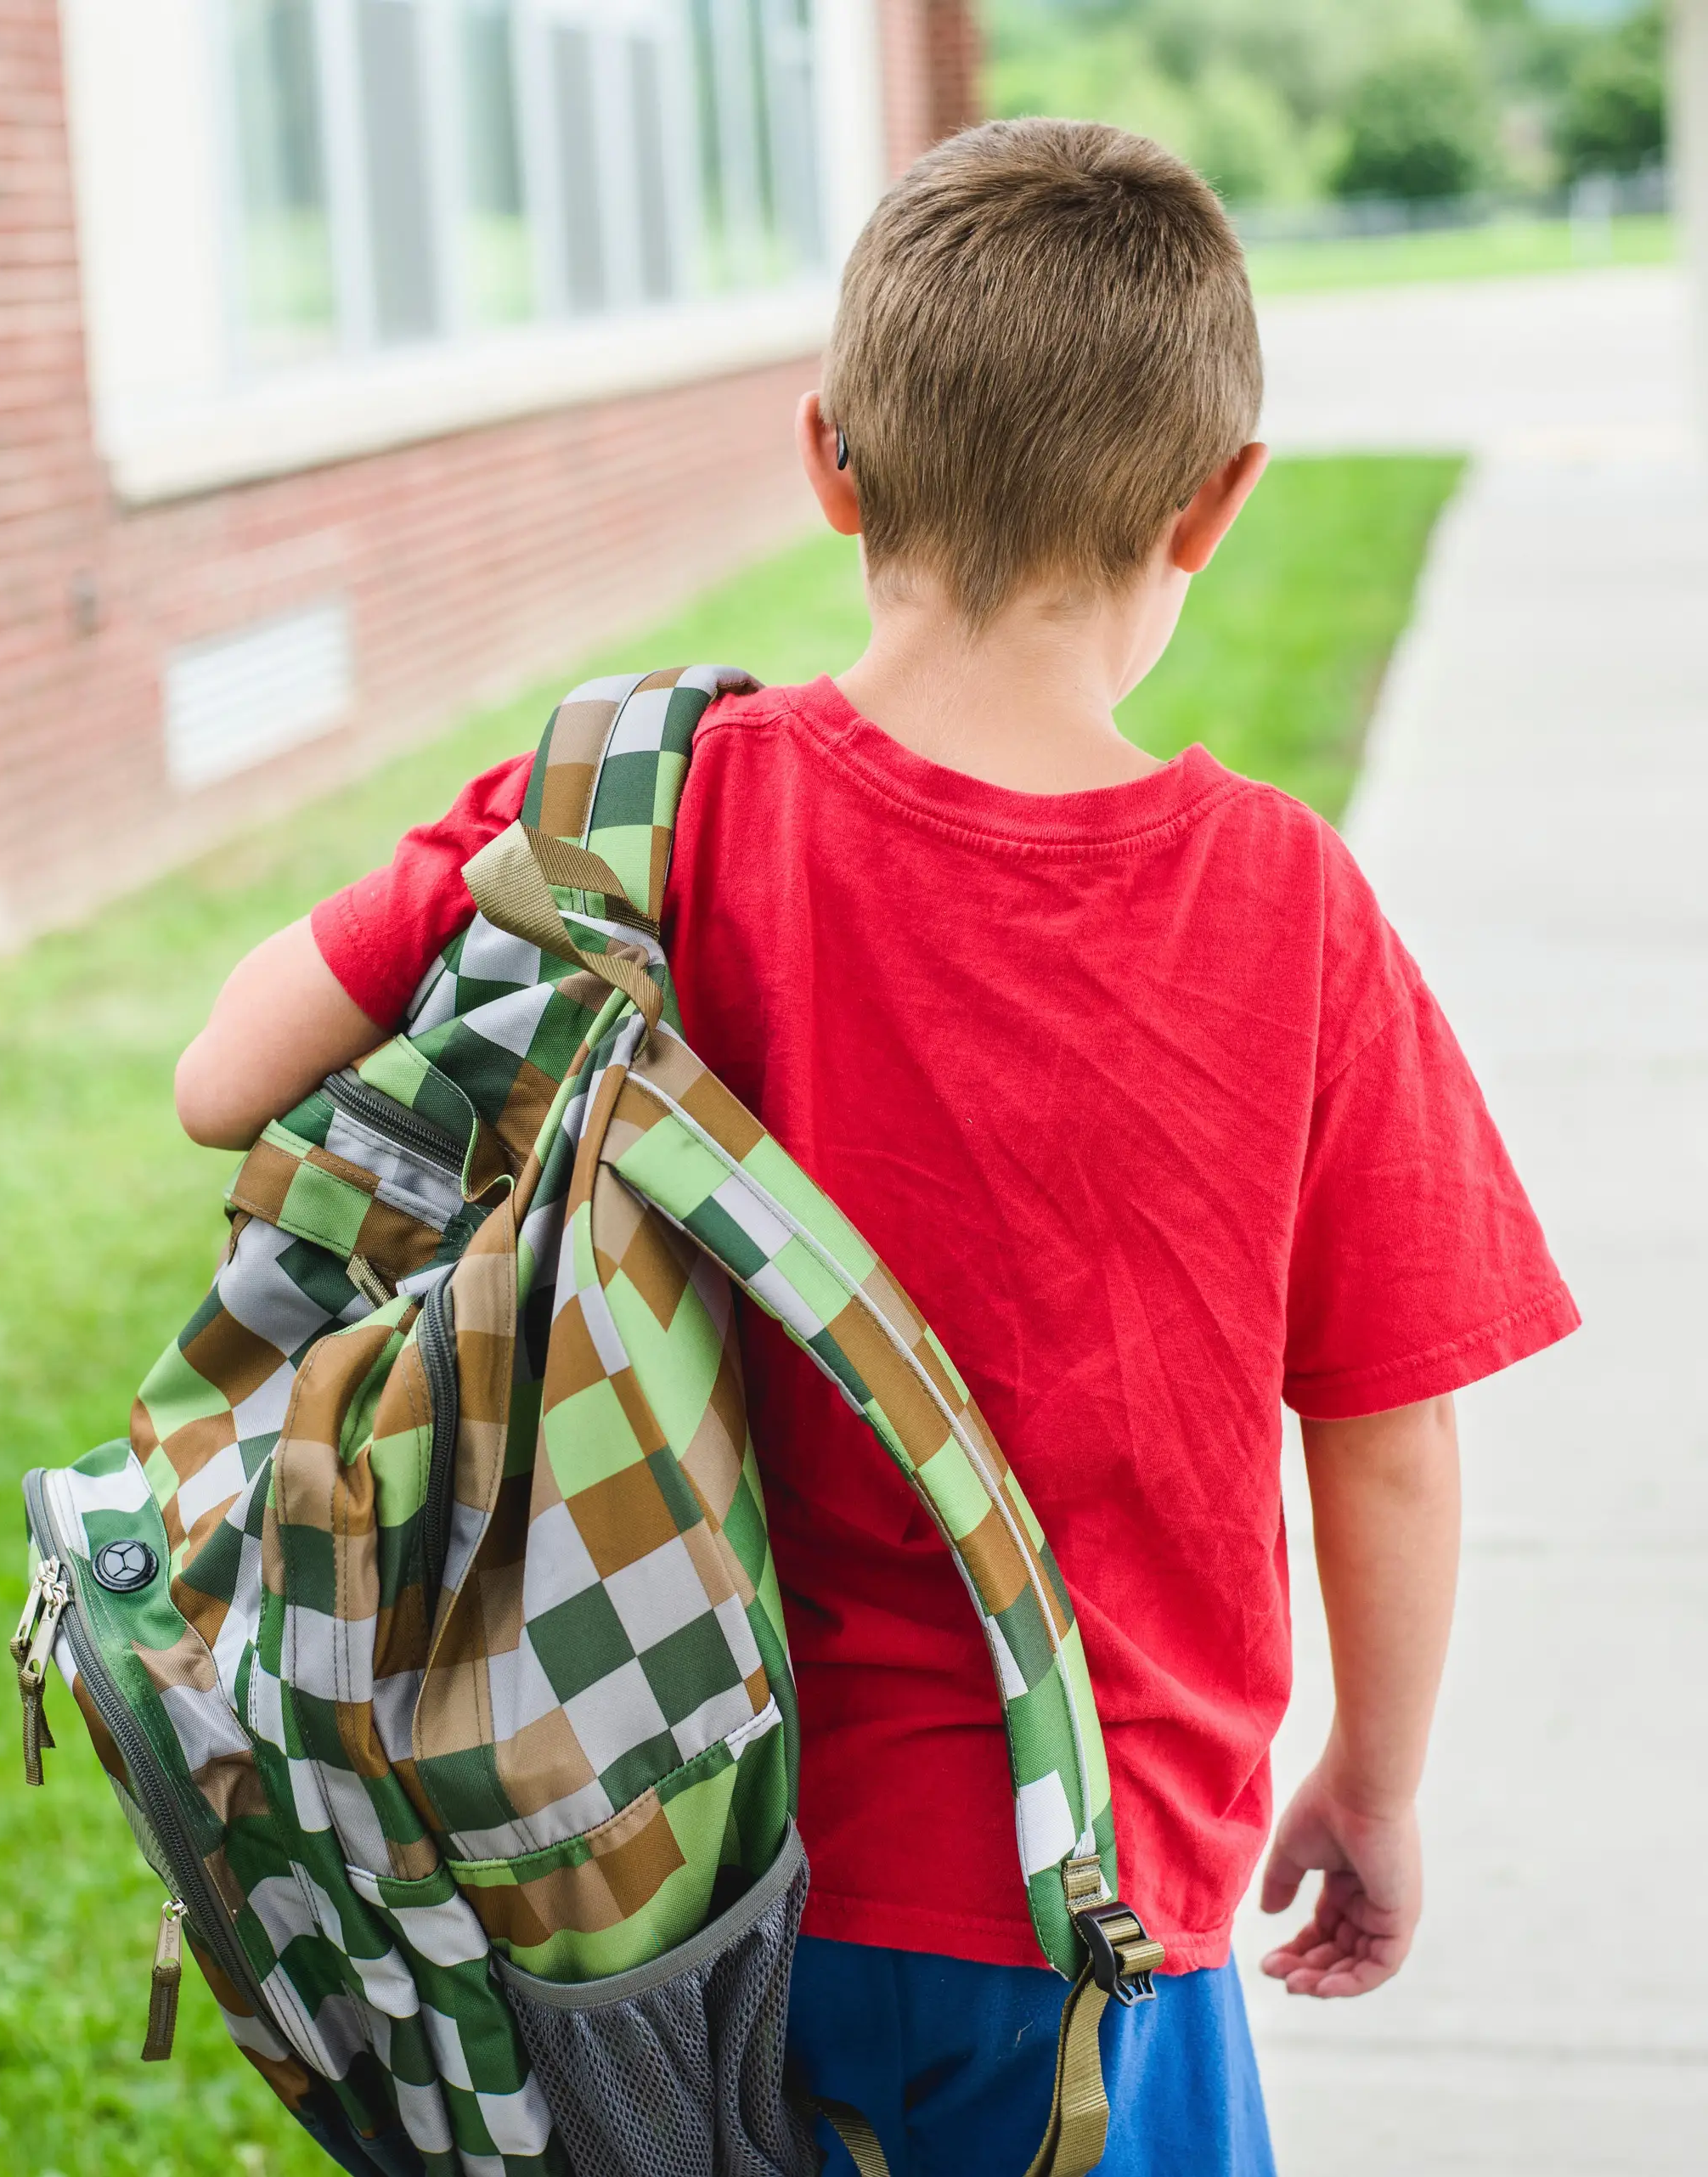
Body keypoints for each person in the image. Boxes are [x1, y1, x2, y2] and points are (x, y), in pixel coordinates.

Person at [172, 118, 1576, 2177]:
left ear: (827, 459)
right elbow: (1385, 1426)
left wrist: (478, 851)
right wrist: (1375, 1779)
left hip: (666, 1867)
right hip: (1089, 1893)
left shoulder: (650, 807)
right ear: (1219, 505)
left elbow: (227, 1077)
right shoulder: (1285, 906)